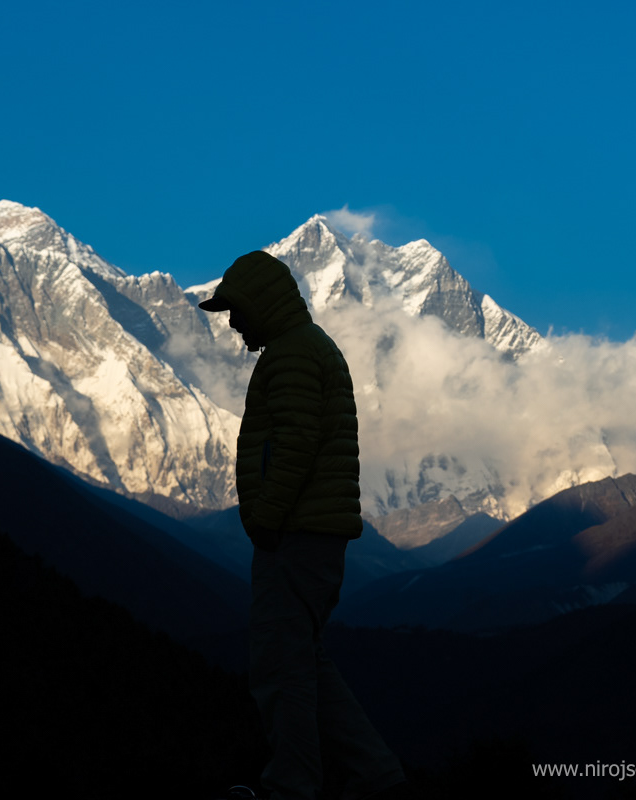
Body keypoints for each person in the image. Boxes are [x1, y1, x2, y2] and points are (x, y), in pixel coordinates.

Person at [199, 251, 407, 800]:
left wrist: (266, 519)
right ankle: (376, 775)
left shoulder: (291, 355)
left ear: (262, 305)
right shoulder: (305, 348)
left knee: (279, 667)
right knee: (303, 661)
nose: (232, 323)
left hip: (295, 533)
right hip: (313, 532)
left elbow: (295, 441)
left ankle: (291, 788)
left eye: (236, 311)